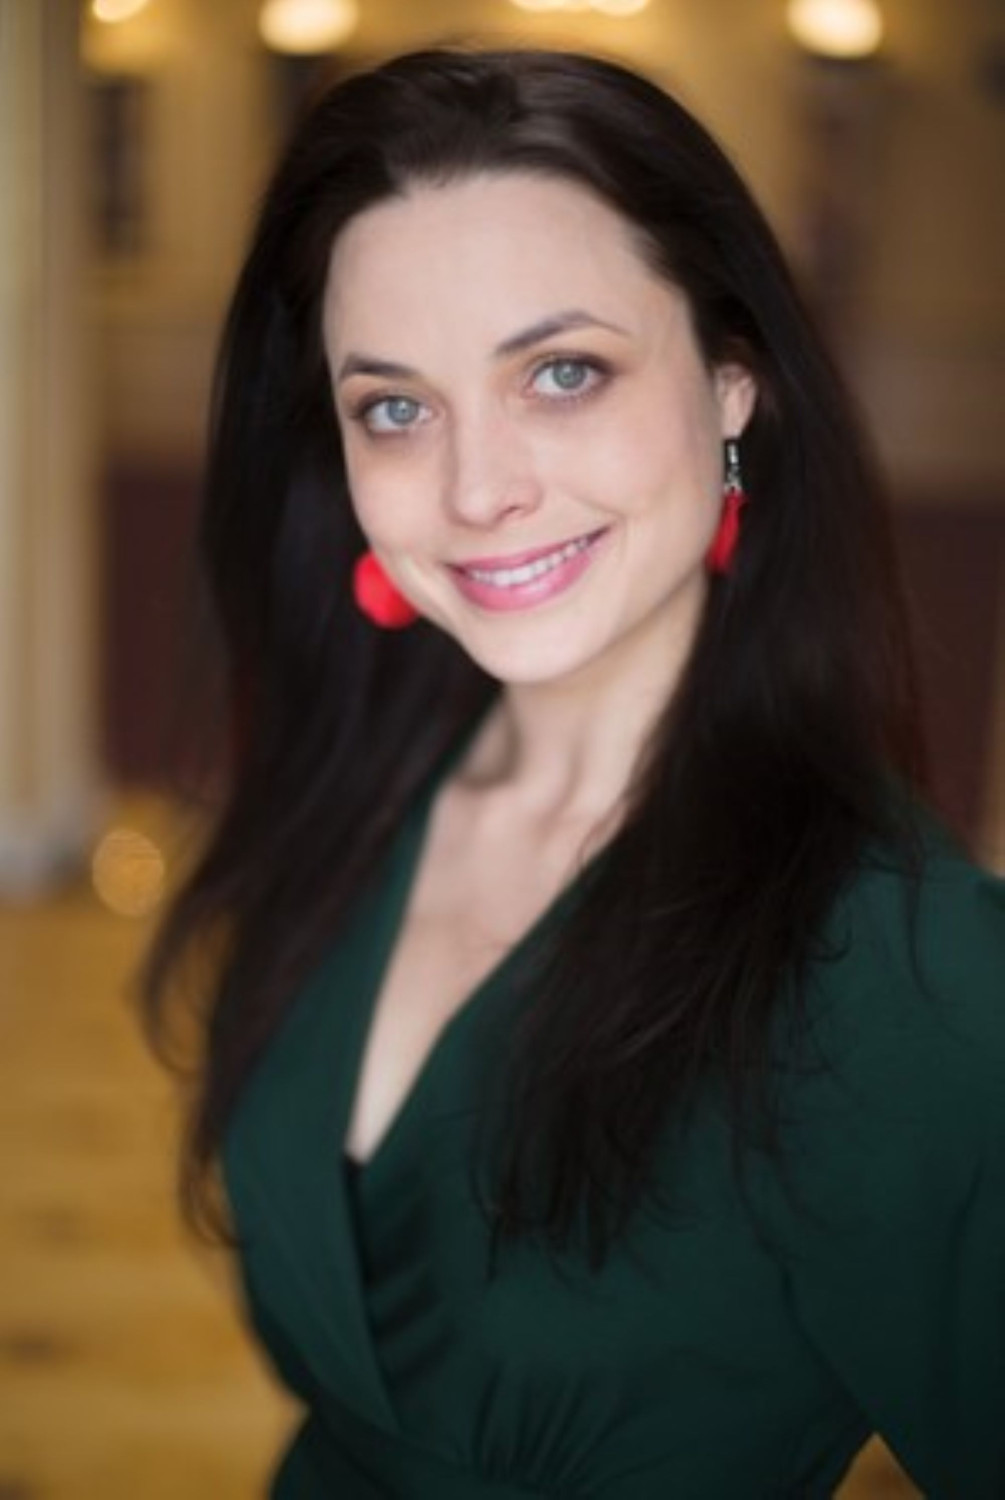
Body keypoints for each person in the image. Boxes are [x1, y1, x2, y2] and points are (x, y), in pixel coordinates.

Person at [142, 47, 1005, 1498]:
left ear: (732, 383)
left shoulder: (895, 968)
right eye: (395, 407)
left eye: (562, 373)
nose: (477, 490)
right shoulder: (361, 786)